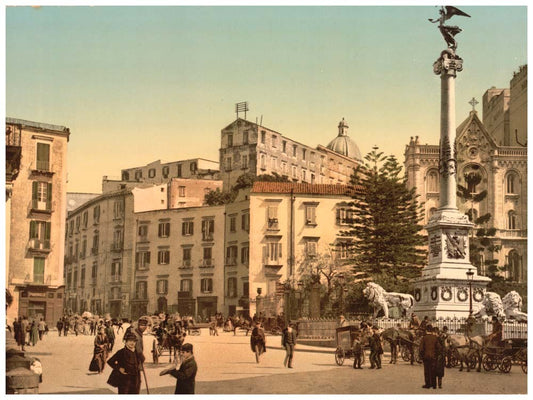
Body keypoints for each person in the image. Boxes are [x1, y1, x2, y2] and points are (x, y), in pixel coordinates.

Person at [419, 325, 442, 389]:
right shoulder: (435, 338)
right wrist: (436, 355)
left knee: (427, 371)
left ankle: (428, 384)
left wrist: (421, 356)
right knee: (433, 370)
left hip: (426, 357)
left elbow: (421, 349)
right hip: (433, 357)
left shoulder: (424, 338)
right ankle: (434, 385)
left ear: (426, 330)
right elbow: (439, 348)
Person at [132, 317, 148, 393]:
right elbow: (138, 351)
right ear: (138, 325)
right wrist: (142, 358)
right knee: (136, 382)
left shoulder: (138, 333)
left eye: (145, 325)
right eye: (142, 325)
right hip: (134, 361)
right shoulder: (137, 335)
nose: (144, 327)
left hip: (135, 361)